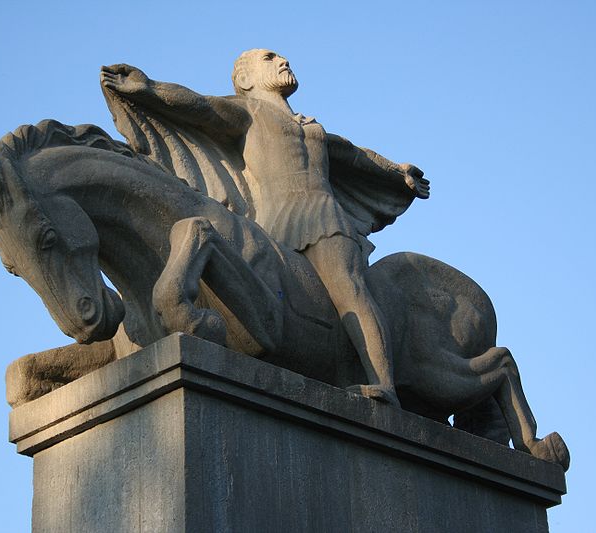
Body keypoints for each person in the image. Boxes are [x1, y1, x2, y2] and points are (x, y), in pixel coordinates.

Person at [100, 49, 430, 404]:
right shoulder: (247, 112)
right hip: (272, 223)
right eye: (270, 58)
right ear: (245, 80)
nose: (284, 61)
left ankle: (384, 384)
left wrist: (397, 172)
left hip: (323, 216)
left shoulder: (312, 127)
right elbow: (199, 106)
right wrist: (148, 87)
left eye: (282, 57)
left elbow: (354, 155)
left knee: (349, 289)